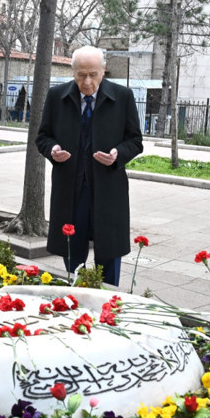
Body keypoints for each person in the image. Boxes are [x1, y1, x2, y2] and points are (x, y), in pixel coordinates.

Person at [36, 45, 143, 286]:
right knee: (72, 254)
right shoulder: (57, 96)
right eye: (80, 74)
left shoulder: (123, 96)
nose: (87, 82)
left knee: (109, 253)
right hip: (70, 190)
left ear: (104, 70)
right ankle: (76, 296)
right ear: (71, 71)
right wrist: (52, 150)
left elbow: (135, 141)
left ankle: (108, 304)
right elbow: (42, 137)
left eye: (93, 74)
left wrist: (118, 154)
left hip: (108, 189)